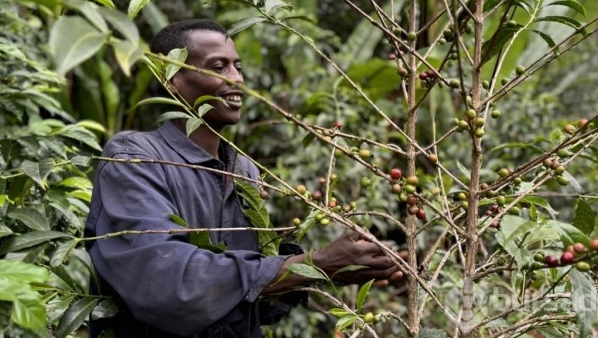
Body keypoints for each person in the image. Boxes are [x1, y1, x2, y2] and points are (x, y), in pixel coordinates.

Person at [85, 19, 405, 338]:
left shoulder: (243, 170)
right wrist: (316, 263)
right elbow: (168, 283)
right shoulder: (135, 157)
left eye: (238, 66)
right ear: (173, 80)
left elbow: (253, 303)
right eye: (218, 67)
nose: (237, 79)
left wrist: (340, 269)